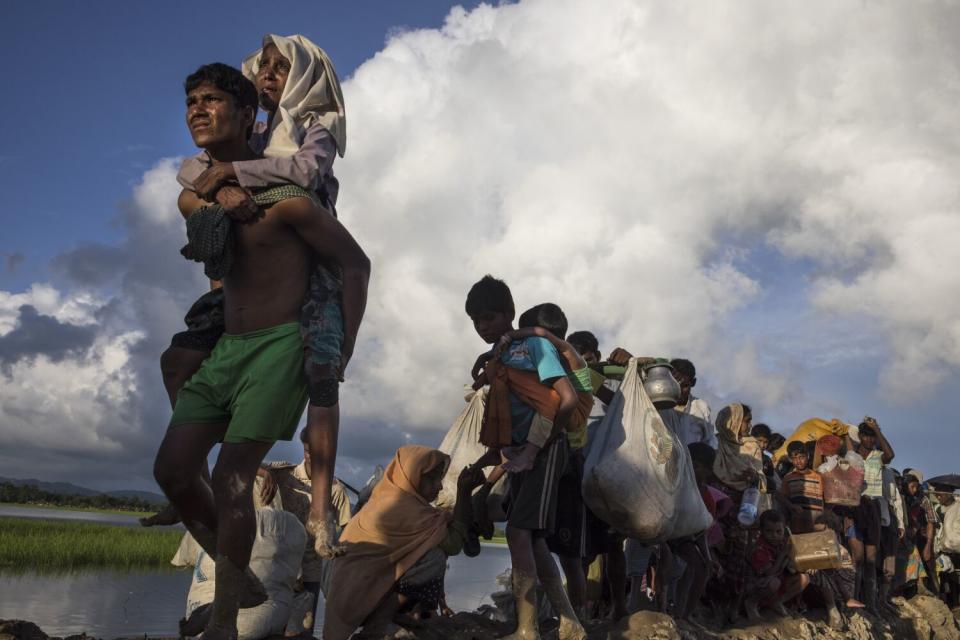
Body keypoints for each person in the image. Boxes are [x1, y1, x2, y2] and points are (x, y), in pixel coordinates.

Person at [153, 62, 368, 640]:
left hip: (279, 345)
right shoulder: (191, 198)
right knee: (171, 470)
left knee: (231, 479)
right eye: (192, 100)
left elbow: (354, 262)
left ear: (249, 116)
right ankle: (240, 579)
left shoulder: (290, 200)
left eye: (214, 100)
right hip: (229, 346)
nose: (199, 109)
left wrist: (342, 341)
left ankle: (224, 622)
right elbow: (196, 203)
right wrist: (220, 190)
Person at [464, 275, 587, 640]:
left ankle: (527, 627)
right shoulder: (501, 355)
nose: (482, 327)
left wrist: (540, 446)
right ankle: (569, 622)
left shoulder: (534, 347)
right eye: (476, 322)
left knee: (518, 531)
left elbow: (563, 399)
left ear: (509, 314)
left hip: (543, 450)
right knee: (531, 539)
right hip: (519, 453)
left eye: (489, 318)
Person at [322, 446, 486, 640]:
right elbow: (453, 545)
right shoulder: (408, 510)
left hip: (344, 591)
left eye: (438, 479)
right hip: (355, 595)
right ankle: (375, 628)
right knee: (435, 559)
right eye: (432, 479)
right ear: (412, 477)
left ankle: (383, 622)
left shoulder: (382, 500)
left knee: (423, 554)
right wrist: (464, 492)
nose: (440, 487)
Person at [257, 427, 353, 634]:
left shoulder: (336, 491)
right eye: (308, 451)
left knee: (303, 628)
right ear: (304, 450)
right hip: (280, 564)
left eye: (319, 451)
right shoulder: (284, 475)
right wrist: (267, 474)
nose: (312, 456)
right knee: (272, 625)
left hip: (311, 569)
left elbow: (348, 531)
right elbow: (245, 463)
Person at [852, 417, 895, 609]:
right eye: (866, 436)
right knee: (857, 557)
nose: (870, 440)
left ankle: (871, 605)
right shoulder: (852, 456)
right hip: (855, 506)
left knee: (871, 558)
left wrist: (877, 429)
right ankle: (854, 599)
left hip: (874, 508)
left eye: (872, 437)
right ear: (860, 437)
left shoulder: (879, 456)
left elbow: (890, 454)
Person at [743, 510, 808, 621]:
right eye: (769, 531)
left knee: (804, 578)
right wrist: (783, 555)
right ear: (761, 531)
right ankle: (751, 604)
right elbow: (770, 572)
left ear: (784, 530)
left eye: (779, 532)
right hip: (755, 584)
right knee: (774, 583)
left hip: (777, 582)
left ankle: (777, 602)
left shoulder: (783, 543)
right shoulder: (759, 549)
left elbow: (793, 566)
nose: (774, 536)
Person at [904, 472, 940, 595]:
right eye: (911, 487)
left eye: (916, 486)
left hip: (922, 537)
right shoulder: (901, 497)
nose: (914, 490)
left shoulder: (923, 499)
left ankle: (938, 596)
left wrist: (928, 546)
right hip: (906, 537)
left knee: (930, 567)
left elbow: (932, 521)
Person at [778, 441, 825, 534]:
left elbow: (825, 498)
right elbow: (782, 497)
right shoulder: (788, 478)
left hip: (818, 525)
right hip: (797, 525)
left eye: (801, 457)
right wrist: (791, 506)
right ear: (790, 460)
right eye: (794, 458)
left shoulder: (818, 476)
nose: (798, 461)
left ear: (807, 456)